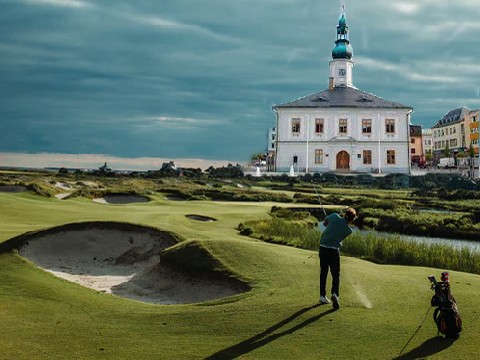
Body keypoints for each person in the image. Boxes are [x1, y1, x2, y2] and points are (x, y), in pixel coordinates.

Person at [318, 207, 356, 309]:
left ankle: (322, 296)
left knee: (324, 272)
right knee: (336, 274)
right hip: (333, 251)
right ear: (352, 220)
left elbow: (324, 224)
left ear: (344, 214)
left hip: (323, 248)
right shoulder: (349, 231)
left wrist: (328, 221)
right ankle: (335, 293)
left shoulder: (334, 216)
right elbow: (339, 237)